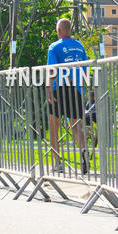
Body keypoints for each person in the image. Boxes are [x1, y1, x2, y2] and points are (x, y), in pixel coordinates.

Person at [47, 18, 90, 175]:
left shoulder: (54, 47)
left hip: (59, 89)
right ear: (70, 30)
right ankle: (84, 152)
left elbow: (52, 69)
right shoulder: (80, 47)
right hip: (76, 89)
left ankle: (58, 163)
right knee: (76, 126)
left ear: (59, 31)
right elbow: (85, 70)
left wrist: (48, 89)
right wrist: (81, 88)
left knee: (54, 126)